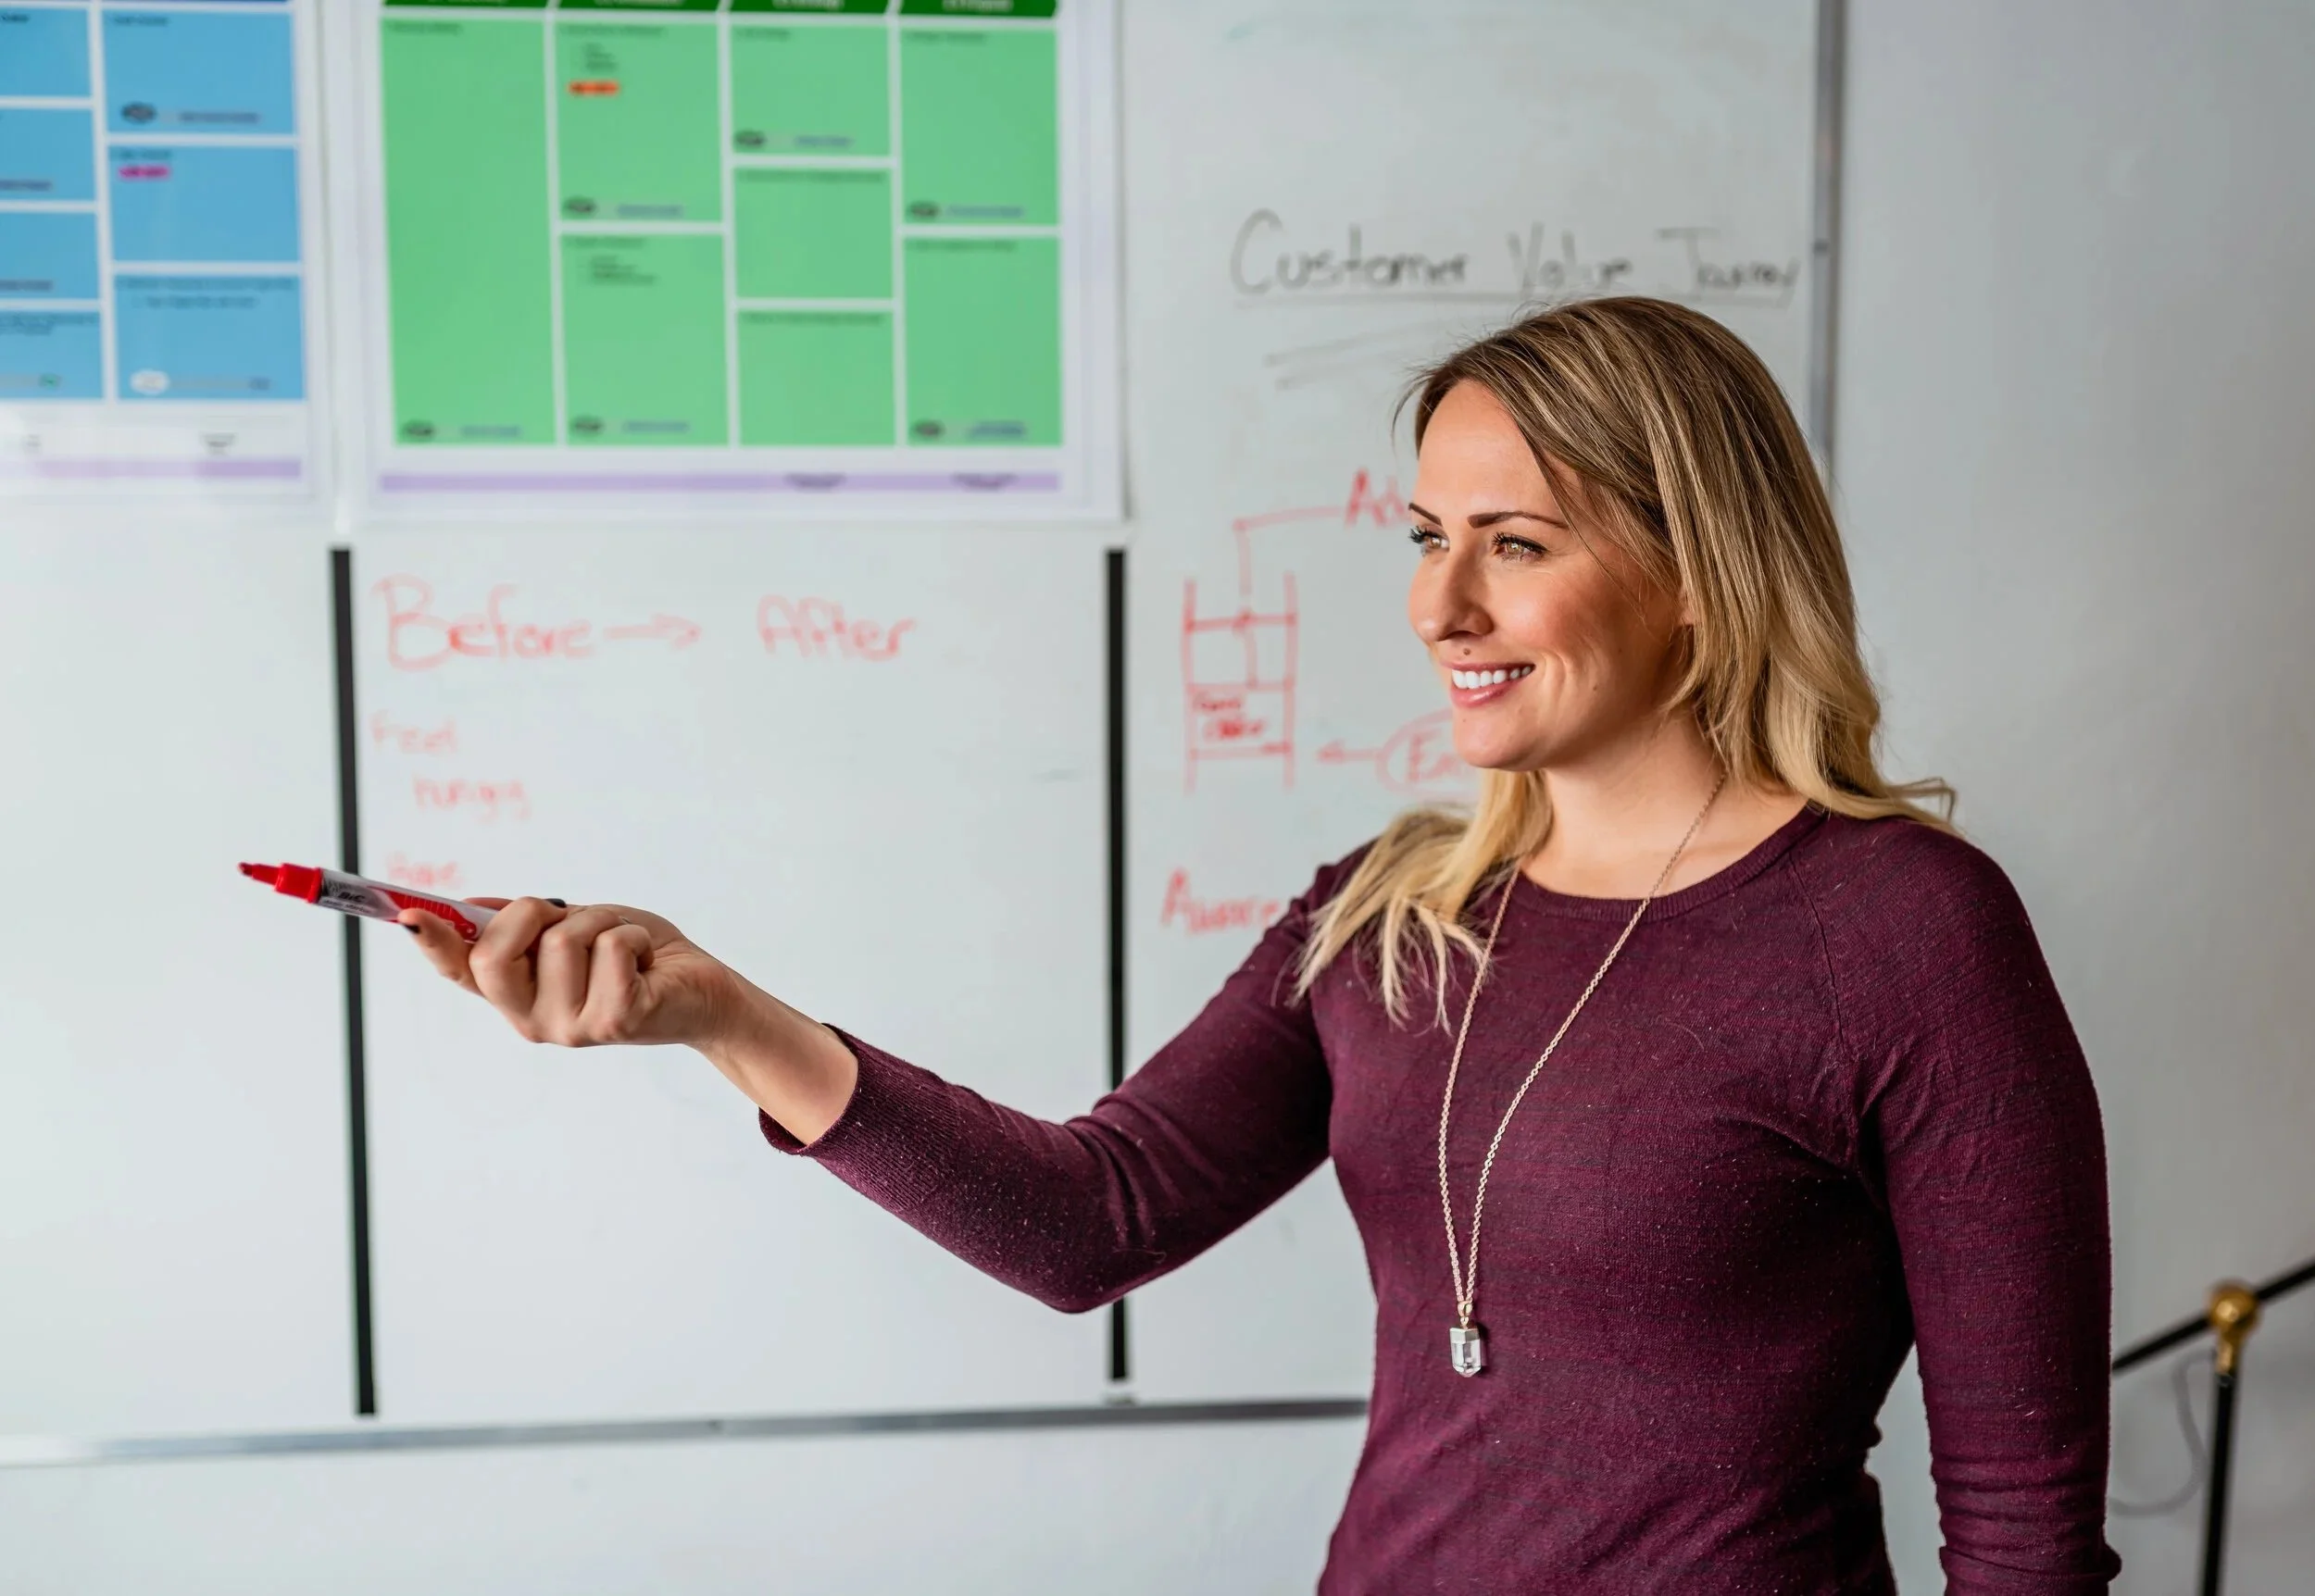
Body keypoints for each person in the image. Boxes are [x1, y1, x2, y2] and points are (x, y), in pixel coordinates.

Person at [404, 296, 2121, 1593]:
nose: (1437, 608)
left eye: (1513, 546)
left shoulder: (1904, 929)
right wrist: (714, 1010)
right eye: (1428, 538)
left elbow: (2026, 1524)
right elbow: (1093, 1219)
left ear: (1701, 570)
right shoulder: (1392, 912)